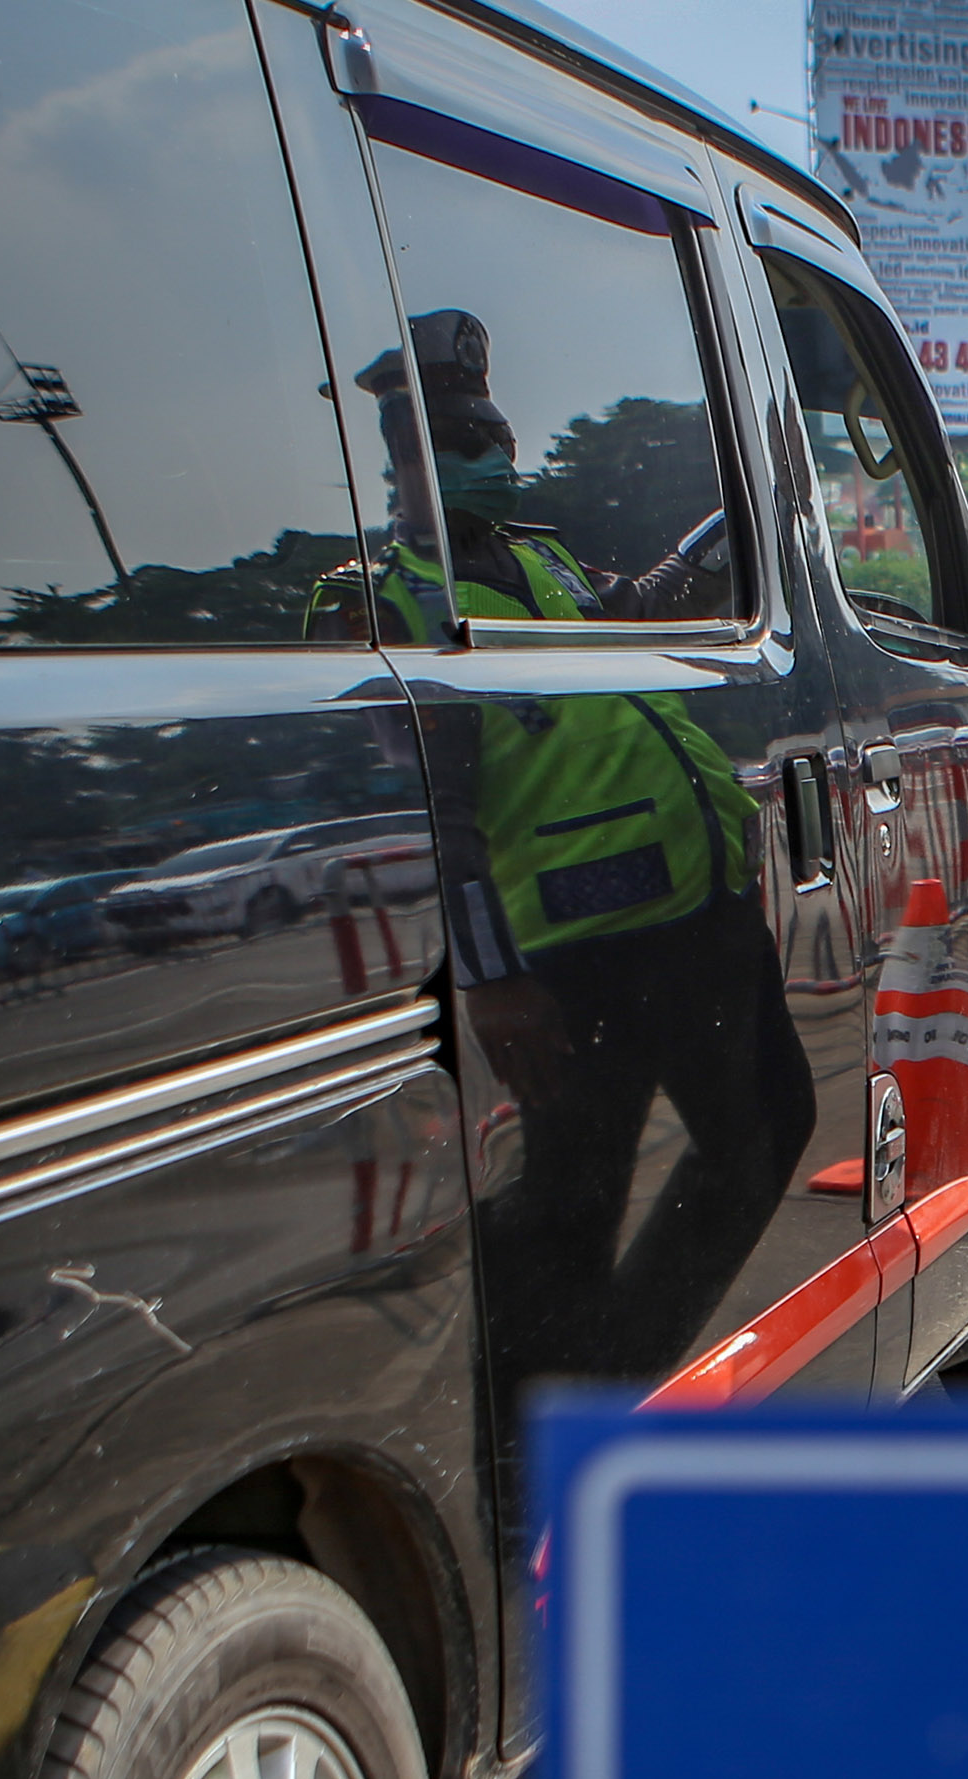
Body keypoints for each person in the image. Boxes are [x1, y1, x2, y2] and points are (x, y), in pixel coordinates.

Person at [315, 308, 803, 1386]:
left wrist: (740, 520)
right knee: (577, 1194)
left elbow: (632, 612)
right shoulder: (395, 599)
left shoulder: (535, 561)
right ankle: (537, 1427)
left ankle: (595, 1376)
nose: (497, 452)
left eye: (497, 431)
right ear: (406, 461)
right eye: (466, 438)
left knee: (752, 1135)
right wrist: (491, 978)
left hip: (686, 920)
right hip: (572, 960)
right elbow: (427, 816)